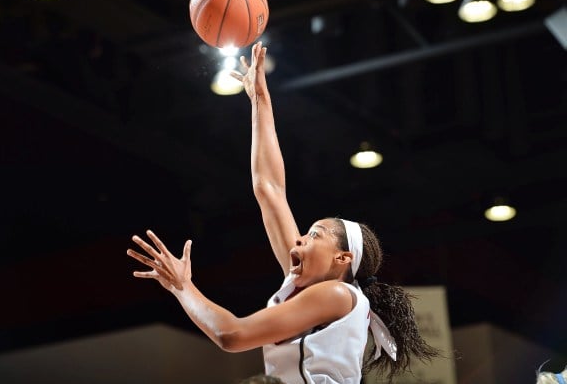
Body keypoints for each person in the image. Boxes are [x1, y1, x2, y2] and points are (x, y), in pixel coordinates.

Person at [126, 42, 438, 384]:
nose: (299, 239)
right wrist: (260, 100)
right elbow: (269, 188)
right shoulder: (314, 288)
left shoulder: (336, 293)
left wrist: (183, 286)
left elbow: (231, 335)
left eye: (315, 235)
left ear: (343, 258)